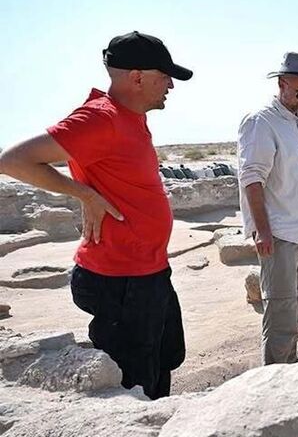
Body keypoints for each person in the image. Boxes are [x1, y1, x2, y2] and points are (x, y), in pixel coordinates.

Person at [0, 31, 191, 399]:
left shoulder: (131, 117)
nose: (170, 84)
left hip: (148, 272)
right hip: (120, 281)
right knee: (134, 381)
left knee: (162, 361)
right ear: (136, 77)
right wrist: (82, 193)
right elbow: (12, 160)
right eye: (164, 75)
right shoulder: (100, 118)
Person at [237, 52, 298, 365]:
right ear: (282, 84)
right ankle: (275, 378)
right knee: (280, 313)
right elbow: (252, 178)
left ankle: (288, 367)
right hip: (278, 234)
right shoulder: (261, 122)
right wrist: (261, 230)